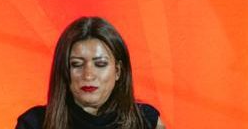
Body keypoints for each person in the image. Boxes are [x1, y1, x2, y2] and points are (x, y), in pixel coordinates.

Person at [15, 17, 165, 129]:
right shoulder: (34, 123)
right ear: (64, 71)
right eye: (77, 64)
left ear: (118, 71)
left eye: (100, 64)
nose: (88, 75)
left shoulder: (147, 121)